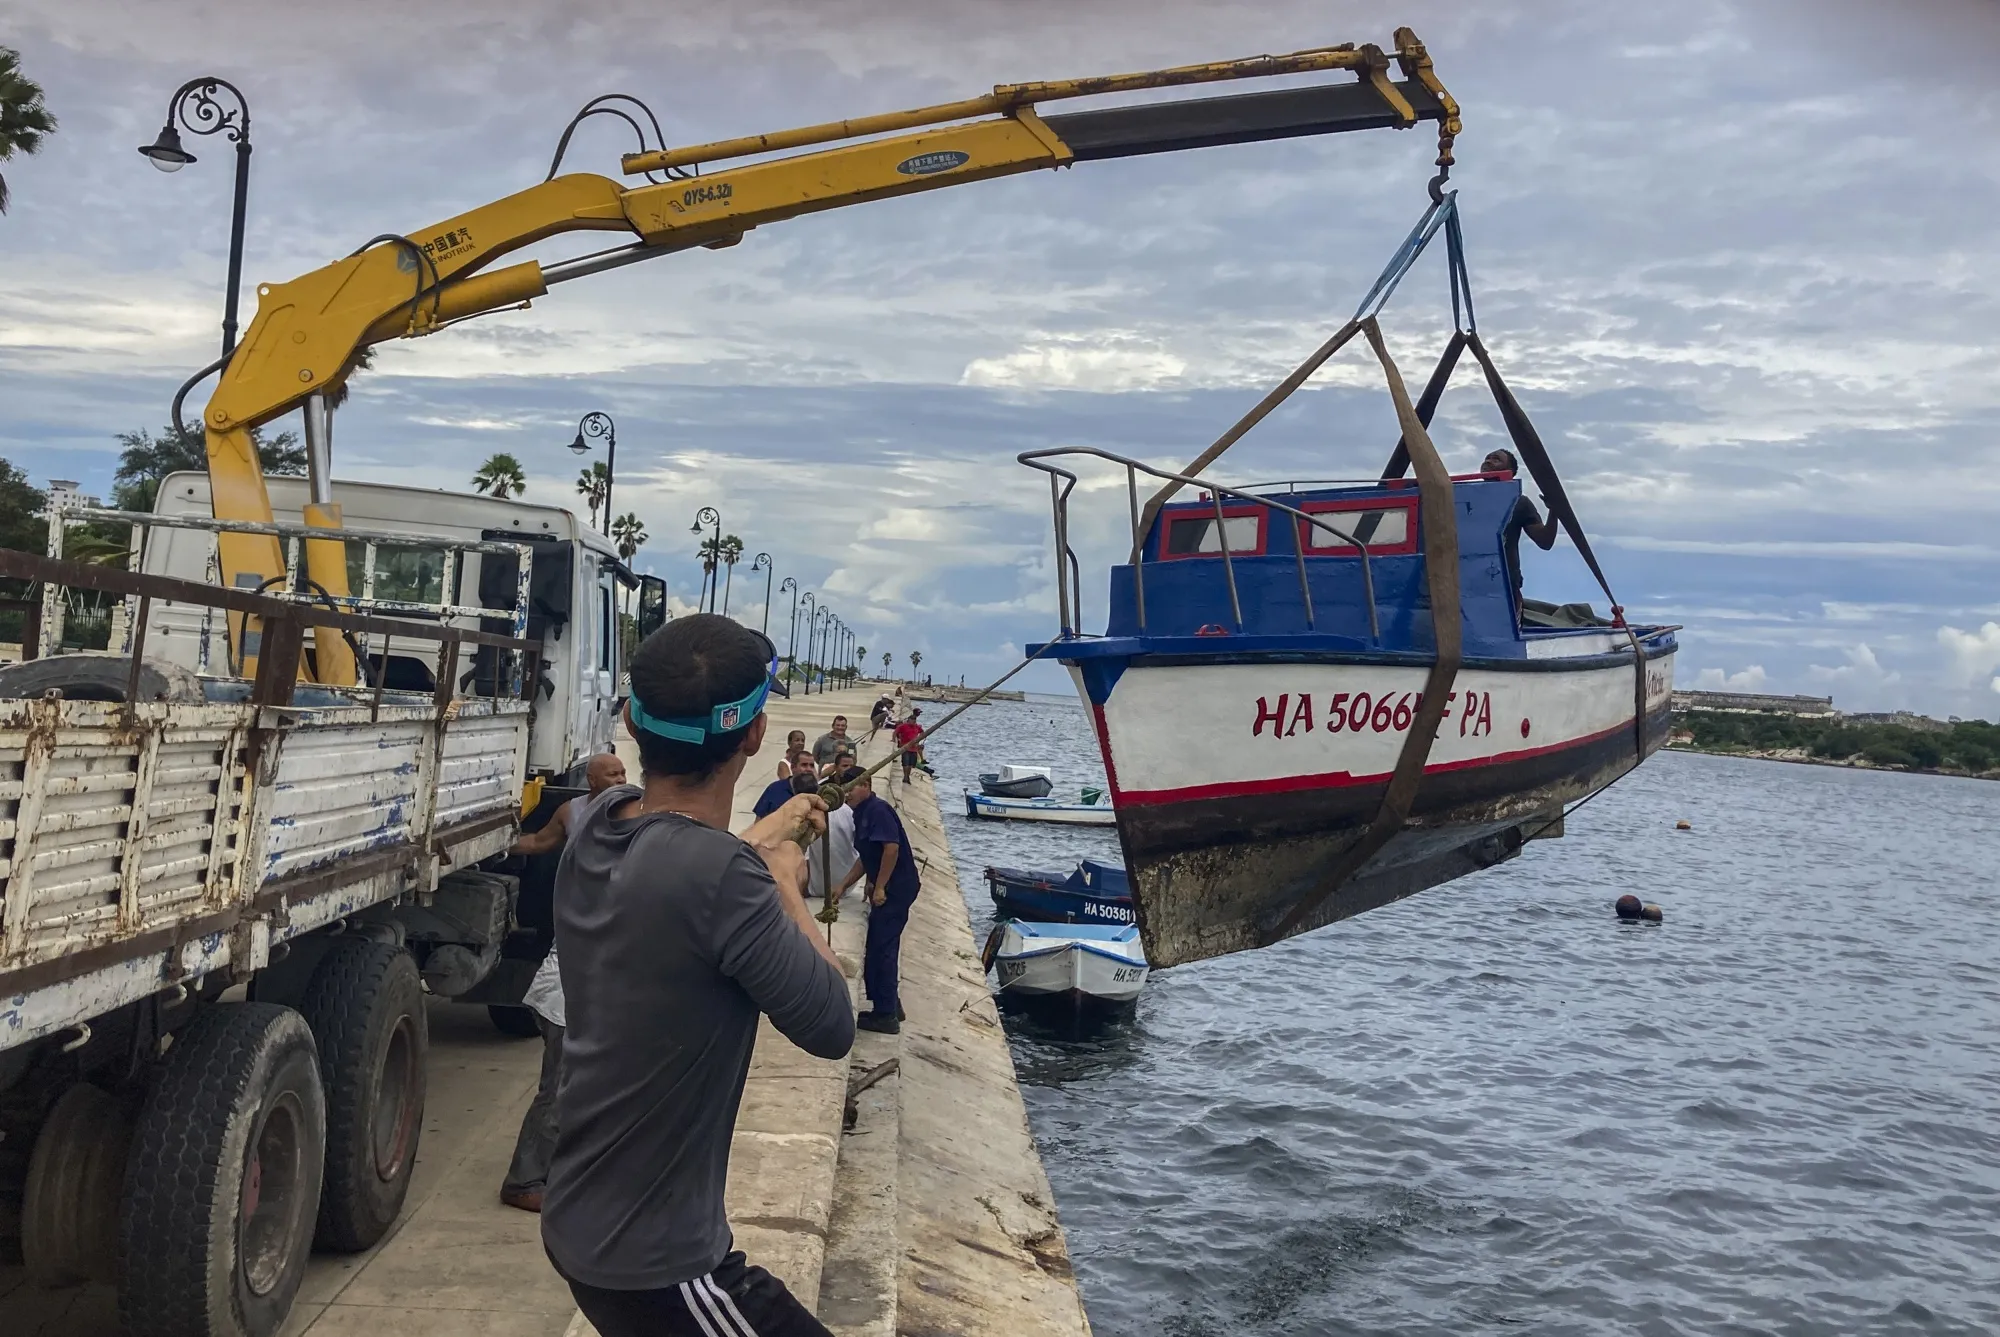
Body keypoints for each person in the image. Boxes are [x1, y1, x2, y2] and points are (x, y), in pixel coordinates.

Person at [542, 614, 853, 1337]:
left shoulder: (596, 821)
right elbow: (831, 1022)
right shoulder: (727, 879)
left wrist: (763, 839)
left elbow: (680, 855)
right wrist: (781, 878)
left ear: (630, 720)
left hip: (583, 1223)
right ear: (755, 735)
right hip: (660, 1265)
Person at [499, 751, 627, 1213]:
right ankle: (524, 1181)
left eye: (622, 773)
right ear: (591, 782)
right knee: (559, 1088)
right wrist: (495, 841)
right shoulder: (573, 813)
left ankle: (563, 1173)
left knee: (587, 1088)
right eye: (610, 775)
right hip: (562, 992)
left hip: (588, 985)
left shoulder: (631, 815)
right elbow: (537, 842)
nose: (619, 780)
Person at [836, 767, 921, 1035]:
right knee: (879, 944)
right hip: (887, 887)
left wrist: (881, 886)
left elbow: (891, 848)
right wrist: (842, 886)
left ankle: (885, 1015)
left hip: (896, 889)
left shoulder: (878, 810)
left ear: (867, 785)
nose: (847, 793)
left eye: (852, 787)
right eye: (844, 788)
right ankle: (890, 1003)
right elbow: (866, 857)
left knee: (881, 947)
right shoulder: (860, 814)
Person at [1483, 447, 1558, 599]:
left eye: (1496, 459)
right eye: (1487, 457)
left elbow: (1545, 541)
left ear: (1510, 471)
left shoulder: (1518, 502)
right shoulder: (1464, 500)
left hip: (1505, 586)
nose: (1488, 461)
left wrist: (1554, 510)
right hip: (1468, 583)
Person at [893, 708, 924, 782]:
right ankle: (905, 776)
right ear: (909, 720)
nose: (913, 721)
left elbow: (923, 733)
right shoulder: (903, 726)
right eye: (912, 720)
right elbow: (895, 732)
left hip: (914, 748)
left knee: (911, 764)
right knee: (905, 763)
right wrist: (895, 740)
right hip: (905, 747)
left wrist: (919, 740)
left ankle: (907, 777)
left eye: (914, 720)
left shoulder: (917, 727)